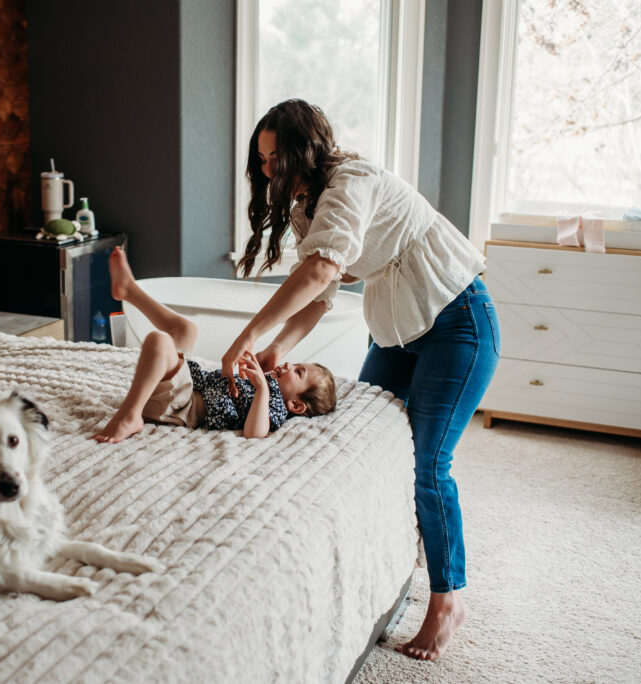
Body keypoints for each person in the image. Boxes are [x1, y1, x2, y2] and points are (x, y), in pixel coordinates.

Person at [221, 100, 500, 660]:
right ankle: (383, 564)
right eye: (263, 160)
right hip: (397, 331)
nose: (270, 169)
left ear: (306, 147)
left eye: (277, 156)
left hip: (457, 321)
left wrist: (246, 337)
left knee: (429, 461)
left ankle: (448, 598)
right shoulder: (306, 207)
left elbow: (322, 270)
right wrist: (277, 348)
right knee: (365, 441)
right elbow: (320, 294)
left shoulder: (355, 180)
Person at [90, 247, 336, 443]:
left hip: (180, 406)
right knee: (187, 329)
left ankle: (130, 415)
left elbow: (255, 433)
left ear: (296, 404)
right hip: (187, 386)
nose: (290, 364)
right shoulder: (269, 379)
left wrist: (261, 389)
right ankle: (129, 291)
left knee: (159, 341)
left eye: (298, 372)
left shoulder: (275, 407)